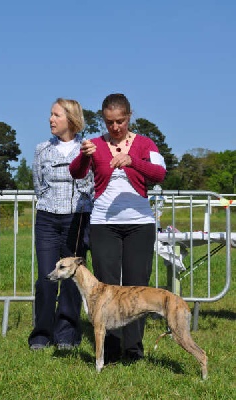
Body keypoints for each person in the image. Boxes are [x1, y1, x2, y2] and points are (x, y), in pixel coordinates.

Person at [69, 93, 166, 362]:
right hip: (104, 225)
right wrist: (83, 155)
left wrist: (134, 161)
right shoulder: (95, 145)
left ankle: (133, 348)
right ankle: (110, 349)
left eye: (120, 121)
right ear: (103, 119)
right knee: (106, 290)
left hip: (140, 224)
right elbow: (76, 172)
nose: (115, 127)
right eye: (109, 122)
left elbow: (160, 174)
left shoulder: (146, 144)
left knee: (137, 289)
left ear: (129, 116)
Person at [28, 98, 94, 350]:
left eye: (56, 115)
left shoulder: (87, 149)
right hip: (47, 218)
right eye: (51, 114)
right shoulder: (42, 149)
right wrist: (50, 204)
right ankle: (41, 334)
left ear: (71, 119)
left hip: (76, 219)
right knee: (46, 277)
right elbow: (38, 184)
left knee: (70, 278)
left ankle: (67, 334)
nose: (50, 119)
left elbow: (93, 185)